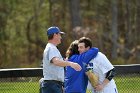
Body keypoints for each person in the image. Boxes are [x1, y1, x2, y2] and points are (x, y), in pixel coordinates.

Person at [41, 26, 82, 93]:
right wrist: (71, 64)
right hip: (52, 84)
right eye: (60, 35)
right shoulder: (51, 48)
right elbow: (56, 62)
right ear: (55, 35)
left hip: (53, 84)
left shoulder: (51, 47)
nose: (61, 37)